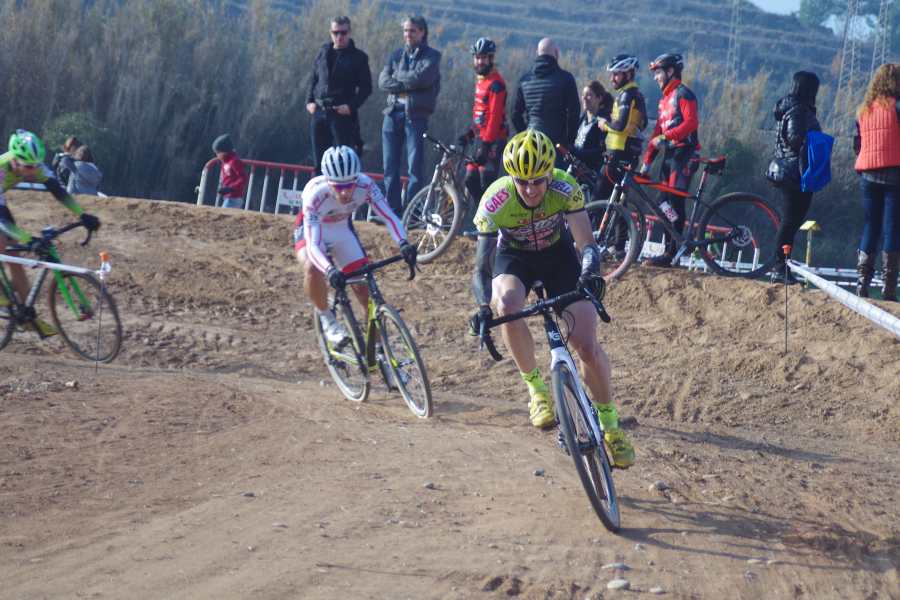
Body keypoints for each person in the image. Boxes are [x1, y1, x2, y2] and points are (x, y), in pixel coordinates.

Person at [468, 129, 634, 468]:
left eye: (538, 181)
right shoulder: (494, 200)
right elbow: (482, 268)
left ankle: (611, 426)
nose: (530, 189)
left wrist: (590, 275)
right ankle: (536, 390)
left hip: (559, 258)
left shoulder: (564, 187)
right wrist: (483, 307)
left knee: (586, 345)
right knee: (507, 305)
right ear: (511, 177)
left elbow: (587, 245)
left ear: (550, 175)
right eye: (522, 182)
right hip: (515, 258)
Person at [293, 145, 417, 344]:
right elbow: (314, 245)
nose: (345, 192)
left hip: (342, 229)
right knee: (311, 267)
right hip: (313, 232)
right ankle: (327, 320)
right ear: (328, 182)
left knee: (364, 291)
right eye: (339, 187)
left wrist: (403, 243)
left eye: (349, 185)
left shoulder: (365, 185)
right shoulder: (315, 194)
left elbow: (389, 217)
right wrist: (329, 270)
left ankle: (376, 351)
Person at [0, 130, 101, 336]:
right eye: (28, 167)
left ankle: (28, 317)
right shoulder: (2, 169)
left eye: (36, 165)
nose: (32, 171)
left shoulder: (33, 164)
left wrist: (82, 215)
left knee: (15, 258)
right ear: (15, 161)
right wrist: (29, 239)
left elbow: (58, 191)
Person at [641, 53, 701, 267]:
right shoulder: (664, 100)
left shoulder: (683, 94)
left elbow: (691, 123)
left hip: (684, 154)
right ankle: (675, 246)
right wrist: (647, 162)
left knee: (673, 201)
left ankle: (673, 252)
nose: (656, 77)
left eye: (658, 72)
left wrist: (668, 137)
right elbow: (657, 131)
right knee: (662, 202)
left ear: (670, 72)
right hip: (670, 156)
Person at [378, 15, 441, 215]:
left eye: (412, 30)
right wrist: (406, 83)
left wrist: (397, 81)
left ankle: (411, 215)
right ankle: (392, 211)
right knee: (390, 166)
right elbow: (382, 81)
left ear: (422, 32)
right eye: (405, 30)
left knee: (414, 168)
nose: (408, 34)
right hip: (392, 113)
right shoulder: (396, 55)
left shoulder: (433, 56)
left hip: (415, 116)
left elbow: (421, 78)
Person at [769, 71, 822, 284]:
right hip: (794, 172)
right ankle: (779, 266)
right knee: (790, 221)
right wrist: (814, 142)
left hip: (793, 170)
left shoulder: (794, 109)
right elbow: (794, 139)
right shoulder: (798, 110)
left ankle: (782, 265)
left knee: (791, 221)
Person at [853, 63, 899, 301]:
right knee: (892, 228)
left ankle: (862, 283)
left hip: (868, 175)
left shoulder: (864, 109)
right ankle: (889, 287)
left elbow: (857, 145)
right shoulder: (897, 108)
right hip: (895, 176)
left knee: (870, 226)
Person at [306, 16, 372, 172]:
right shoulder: (323, 52)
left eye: (343, 32)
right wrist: (309, 101)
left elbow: (366, 88)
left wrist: (350, 106)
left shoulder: (359, 57)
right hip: (319, 112)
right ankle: (319, 195)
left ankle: (341, 195)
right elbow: (313, 78)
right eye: (335, 32)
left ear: (349, 33)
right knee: (319, 162)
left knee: (342, 162)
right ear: (330, 33)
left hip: (342, 115)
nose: (339, 36)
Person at [457, 37, 509, 212]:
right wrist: (469, 134)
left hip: (494, 139)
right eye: (477, 57)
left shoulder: (496, 84)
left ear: (491, 58)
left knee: (486, 177)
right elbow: (479, 113)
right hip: (481, 138)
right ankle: (484, 216)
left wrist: (486, 145)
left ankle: (492, 224)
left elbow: (494, 117)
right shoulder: (481, 81)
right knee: (469, 178)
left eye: (483, 58)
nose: (480, 61)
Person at [511, 38, 580, 165]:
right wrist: (569, 140)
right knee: (556, 181)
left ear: (537, 52)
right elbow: (574, 113)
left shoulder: (525, 80)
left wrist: (524, 134)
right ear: (557, 53)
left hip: (531, 141)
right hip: (557, 144)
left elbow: (515, 114)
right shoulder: (566, 79)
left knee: (532, 180)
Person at [594, 54, 648, 201]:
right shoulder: (638, 95)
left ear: (629, 74)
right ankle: (623, 225)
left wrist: (605, 125)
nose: (612, 78)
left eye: (616, 74)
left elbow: (620, 126)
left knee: (598, 197)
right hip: (628, 154)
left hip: (618, 154)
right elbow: (643, 124)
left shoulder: (626, 95)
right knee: (617, 202)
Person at [572, 81, 613, 171]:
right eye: (583, 95)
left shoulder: (603, 123)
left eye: (589, 95)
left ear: (599, 98)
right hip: (574, 167)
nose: (584, 98)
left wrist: (577, 153)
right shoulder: (582, 119)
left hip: (589, 174)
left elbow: (600, 152)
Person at [212, 134, 249, 210]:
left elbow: (243, 178)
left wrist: (230, 188)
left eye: (218, 153)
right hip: (228, 197)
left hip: (234, 197)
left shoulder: (234, 161)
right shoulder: (225, 162)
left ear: (225, 151)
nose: (217, 156)